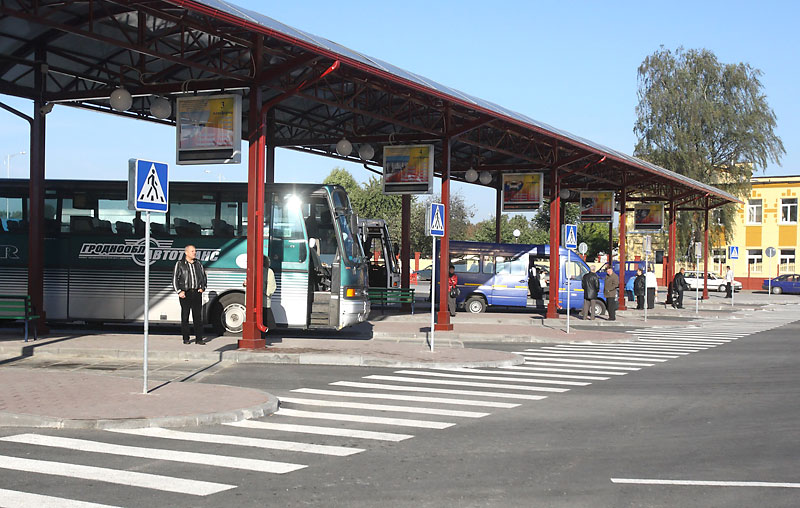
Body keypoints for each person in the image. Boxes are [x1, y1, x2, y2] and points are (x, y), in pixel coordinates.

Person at [173, 244, 207, 345]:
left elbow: (203, 276)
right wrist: (179, 291)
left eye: (195, 251)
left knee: (197, 317)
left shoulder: (198, 264)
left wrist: (202, 287)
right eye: (192, 251)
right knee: (185, 316)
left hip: (196, 293)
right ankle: (186, 338)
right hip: (185, 293)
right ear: (186, 253)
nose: (194, 253)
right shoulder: (180, 264)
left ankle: (199, 339)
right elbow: (175, 279)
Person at [263, 256, 277, 332]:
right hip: (264, 299)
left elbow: (271, 286)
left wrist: (266, 293)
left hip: (263, 298)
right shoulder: (269, 271)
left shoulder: (269, 271)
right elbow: (272, 285)